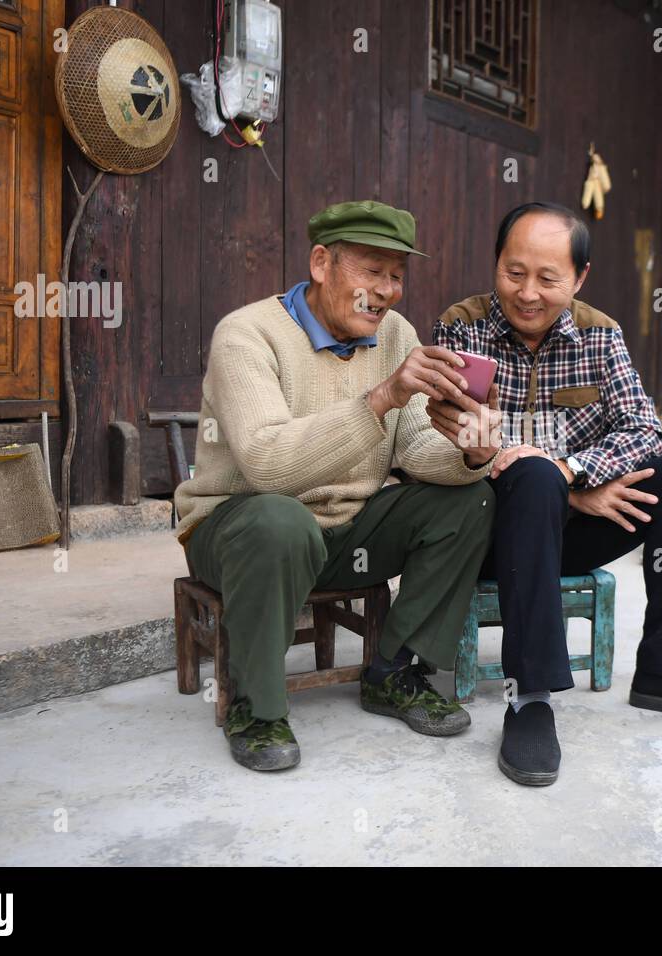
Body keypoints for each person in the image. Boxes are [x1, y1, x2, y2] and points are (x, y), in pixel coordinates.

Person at [429, 201, 662, 787]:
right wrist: (558, 482)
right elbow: (454, 443)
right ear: (496, 264)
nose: (527, 292)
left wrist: (573, 473)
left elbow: (642, 431)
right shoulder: (462, 327)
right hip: (486, 528)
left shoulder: (601, 335)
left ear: (578, 278)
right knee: (532, 481)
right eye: (514, 272)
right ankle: (530, 698)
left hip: (564, 525)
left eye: (548, 278)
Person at [175, 200, 501, 771]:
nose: (388, 290)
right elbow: (268, 466)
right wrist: (379, 399)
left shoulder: (395, 334)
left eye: (397, 275)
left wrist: (470, 452)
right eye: (372, 271)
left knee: (471, 497)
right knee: (280, 520)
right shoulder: (246, 335)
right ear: (322, 263)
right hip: (241, 531)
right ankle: (256, 707)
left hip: (346, 533)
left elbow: (415, 449)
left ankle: (395, 671)